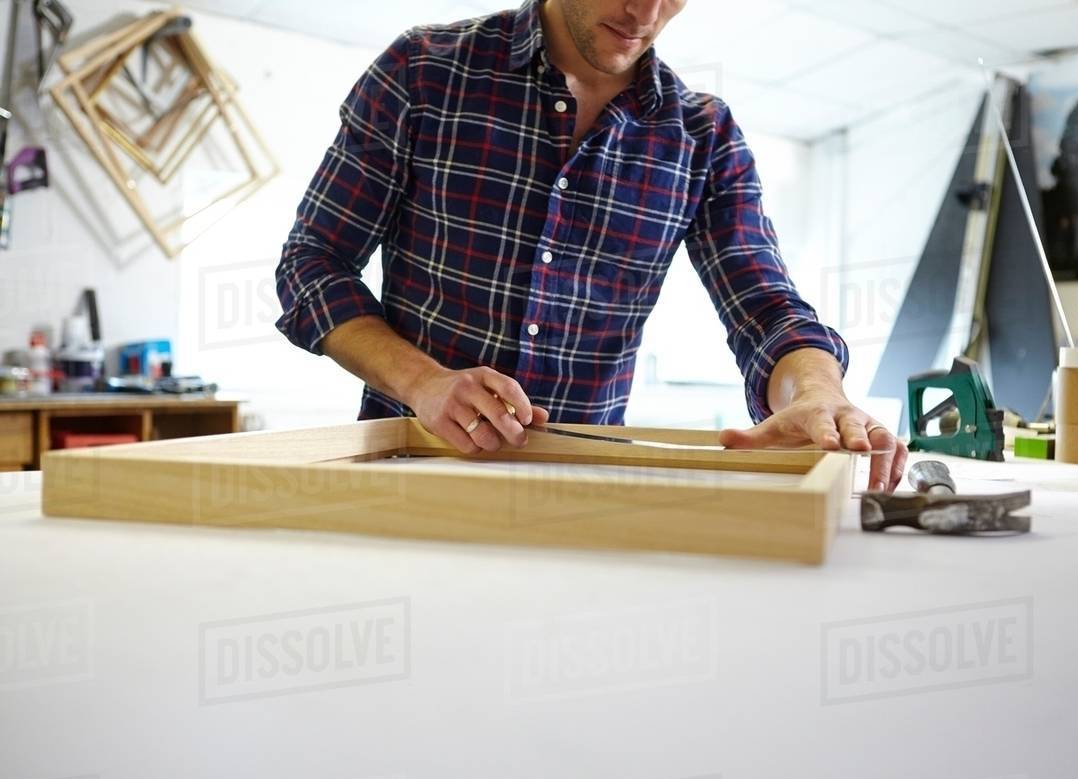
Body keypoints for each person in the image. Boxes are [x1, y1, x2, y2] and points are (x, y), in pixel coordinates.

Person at [275, 0, 907, 492]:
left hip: (586, 493)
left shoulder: (702, 135)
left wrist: (819, 393)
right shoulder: (423, 70)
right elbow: (312, 263)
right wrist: (425, 383)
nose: (645, 14)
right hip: (409, 472)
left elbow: (767, 309)